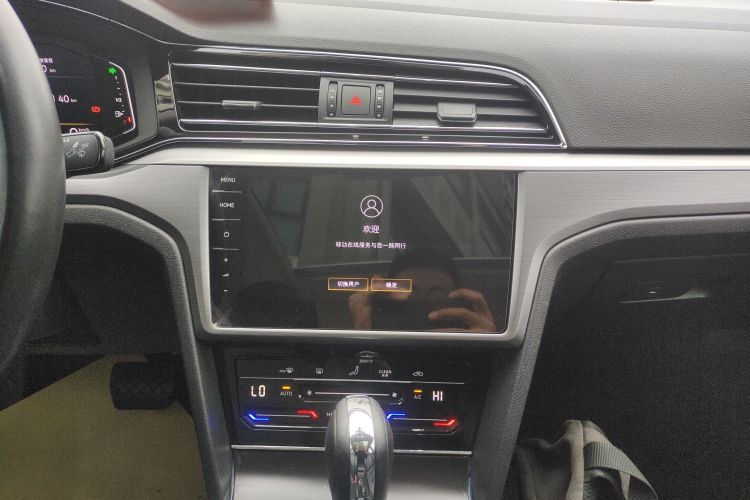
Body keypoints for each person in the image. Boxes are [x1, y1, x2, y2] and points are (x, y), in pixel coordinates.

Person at [348, 249, 495, 332]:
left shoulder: (465, 339)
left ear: (459, 305)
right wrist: (362, 335)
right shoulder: (371, 327)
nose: (420, 303)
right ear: (384, 301)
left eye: (437, 296)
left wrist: (484, 346)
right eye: (410, 294)